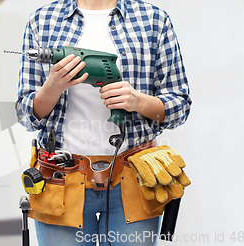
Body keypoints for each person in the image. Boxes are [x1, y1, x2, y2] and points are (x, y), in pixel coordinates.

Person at [16, 0, 191, 245]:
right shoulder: (43, 20)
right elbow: (26, 116)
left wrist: (137, 101)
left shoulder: (153, 19)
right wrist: (53, 86)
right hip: (60, 178)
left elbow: (180, 107)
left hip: (134, 178)